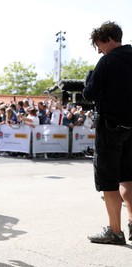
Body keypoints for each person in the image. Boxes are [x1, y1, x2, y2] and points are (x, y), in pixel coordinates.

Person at [83, 21, 132, 245]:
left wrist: (88, 79)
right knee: (129, 178)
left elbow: (90, 93)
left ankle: (115, 231)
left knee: (109, 181)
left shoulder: (107, 61)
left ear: (108, 39)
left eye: (99, 45)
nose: (99, 50)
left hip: (110, 129)